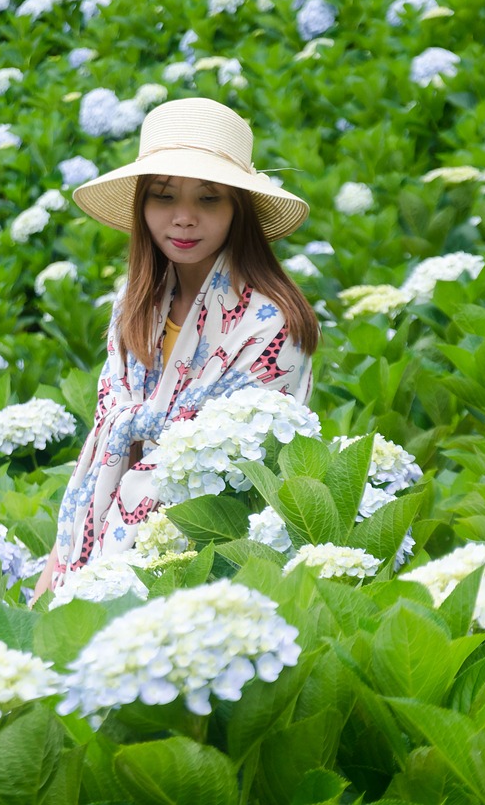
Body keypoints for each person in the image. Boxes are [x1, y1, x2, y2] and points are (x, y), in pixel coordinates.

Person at [32, 97, 319, 599]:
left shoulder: (270, 325)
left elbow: (230, 472)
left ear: (238, 210)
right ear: (142, 205)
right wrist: (56, 573)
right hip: (100, 556)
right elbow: (106, 440)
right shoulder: (134, 308)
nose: (184, 218)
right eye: (164, 196)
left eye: (209, 199)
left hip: (211, 559)